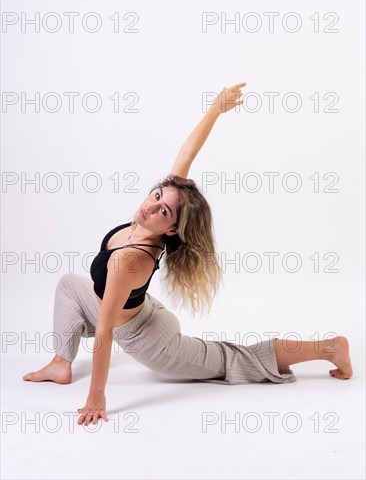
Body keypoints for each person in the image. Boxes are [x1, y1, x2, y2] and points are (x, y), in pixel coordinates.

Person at [23, 82, 353, 426]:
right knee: (69, 284)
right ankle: (61, 363)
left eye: (164, 211)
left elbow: (105, 331)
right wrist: (216, 109)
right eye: (156, 196)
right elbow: (185, 156)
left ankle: (327, 347)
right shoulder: (151, 216)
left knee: (231, 358)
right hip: (146, 311)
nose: (151, 207)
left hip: (152, 341)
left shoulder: (129, 259)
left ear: (171, 230)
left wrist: (96, 396)